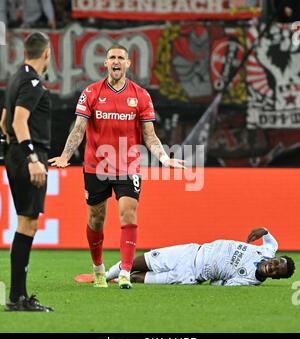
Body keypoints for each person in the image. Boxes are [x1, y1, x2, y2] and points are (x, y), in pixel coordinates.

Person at [49, 44, 185, 289]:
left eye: (121, 58)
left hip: (128, 166)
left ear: (128, 64)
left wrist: (164, 159)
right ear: (105, 63)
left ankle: (124, 271)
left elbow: (149, 135)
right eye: (112, 57)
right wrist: (65, 155)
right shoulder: (90, 92)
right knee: (96, 220)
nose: (116, 61)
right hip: (96, 167)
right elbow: (78, 129)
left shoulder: (141, 95)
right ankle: (98, 268)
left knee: (128, 214)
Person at [0, 32, 53, 311]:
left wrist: (13, 150)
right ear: (46, 52)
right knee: (27, 224)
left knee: (25, 223)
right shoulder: (33, 81)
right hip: (29, 155)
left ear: (25, 52)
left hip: (16, 153)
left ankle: (17, 296)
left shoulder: (15, 77)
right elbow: (19, 121)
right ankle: (17, 298)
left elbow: (3, 121)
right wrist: (32, 158)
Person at [106, 227, 295, 286]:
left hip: (191, 276)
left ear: (274, 277)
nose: (274, 267)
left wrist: (216, 276)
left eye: (277, 271)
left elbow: (219, 285)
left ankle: (119, 279)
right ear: (275, 258)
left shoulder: (250, 280)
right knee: (144, 260)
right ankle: (105, 275)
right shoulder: (268, 251)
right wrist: (264, 231)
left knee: (140, 278)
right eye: (277, 263)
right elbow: (271, 240)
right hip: (191, 252)